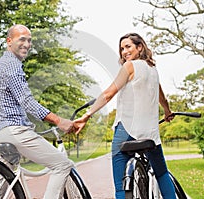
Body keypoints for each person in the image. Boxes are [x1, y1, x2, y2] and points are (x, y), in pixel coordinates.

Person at [74, 33, 176, 198]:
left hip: (126, 131)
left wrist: (87, 115)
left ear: (140, 47)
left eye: (128, 46)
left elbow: (108, 94)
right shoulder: (153, 70)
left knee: (120, 185)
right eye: (122, 48)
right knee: (162, 174)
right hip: (150, 133)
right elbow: (161, 96)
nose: (124, 52)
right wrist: (167, 111)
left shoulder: (130, 67)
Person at [0, 24, 74, 198]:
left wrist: (0, 118)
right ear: (9, 41)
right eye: (22, 39)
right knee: (62, 165)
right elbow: (27, 102)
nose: (27, 44)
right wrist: (59, 121)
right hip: (16, 132)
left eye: (29, 40)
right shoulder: (12, 65)